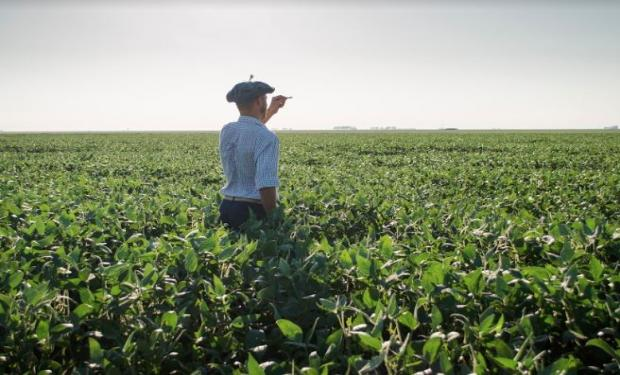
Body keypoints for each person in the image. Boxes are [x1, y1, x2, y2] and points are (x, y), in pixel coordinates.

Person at [218, 80, 288, 229]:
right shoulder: (268, 137)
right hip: (252, 213)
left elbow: (250, 130)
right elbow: (265, 185)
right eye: (265, 98)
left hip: (226, 208)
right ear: (258, 101)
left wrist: (271, 111)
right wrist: (275, 221)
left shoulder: (227, 131)